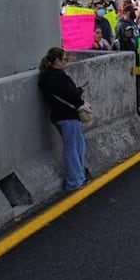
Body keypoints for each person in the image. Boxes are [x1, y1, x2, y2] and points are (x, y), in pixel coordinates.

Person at [37, 47, 88, 192]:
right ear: (57, 61)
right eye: (64, 59)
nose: (66, 62)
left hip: (57, 115)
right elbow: (73, 95)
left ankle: (78, 177)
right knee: (74, 148)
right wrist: (79, 91)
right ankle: (75, 181)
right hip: (68, 115)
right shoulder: (59, 76)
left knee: (75, 146)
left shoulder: (44, 77)